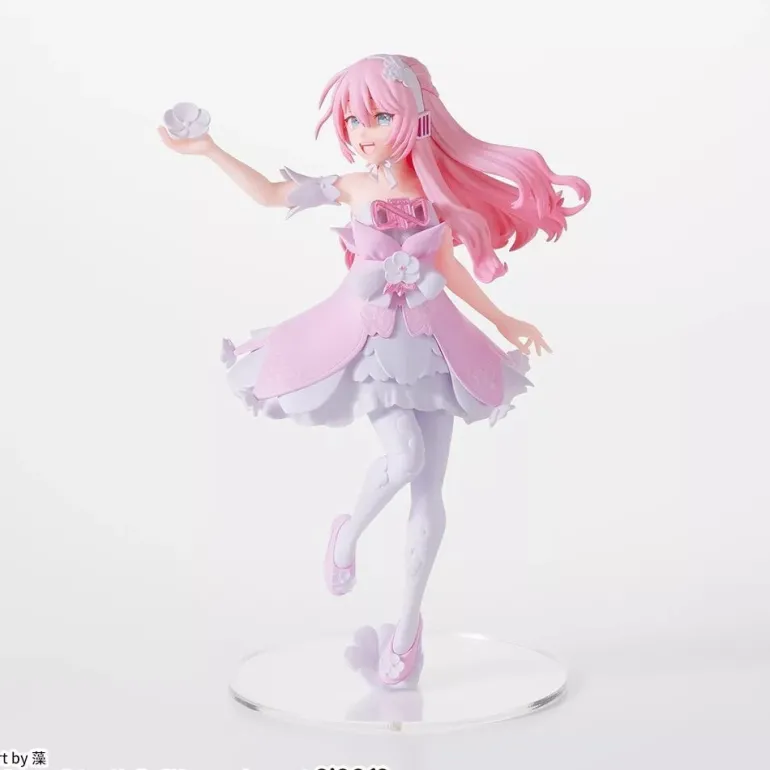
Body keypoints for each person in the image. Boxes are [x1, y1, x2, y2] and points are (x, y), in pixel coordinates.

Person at [158, 54, 590, 686]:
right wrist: (210, 150)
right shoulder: (354, 187)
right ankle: (348, 532)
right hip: (371, 343)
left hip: (435, 345)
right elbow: (272, 195)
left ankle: (408, 633)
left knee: (429, 490)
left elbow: (450, 268)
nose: (362, 132)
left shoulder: (436, 195)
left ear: (415, 118)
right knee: (404, 457)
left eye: (379, 117)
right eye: (352, 120)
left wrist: (504, 320)